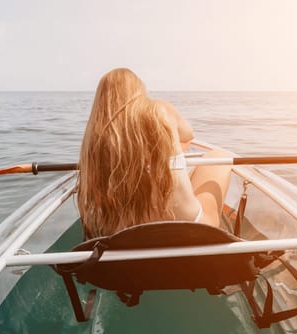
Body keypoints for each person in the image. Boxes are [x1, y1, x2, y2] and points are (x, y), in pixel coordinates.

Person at [77, 68, 232, 238]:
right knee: (219, 155)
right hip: (188, 226)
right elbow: (189, 134)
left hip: (120, 232)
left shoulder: (92, 140)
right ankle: (223, 228)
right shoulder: (159, 110)